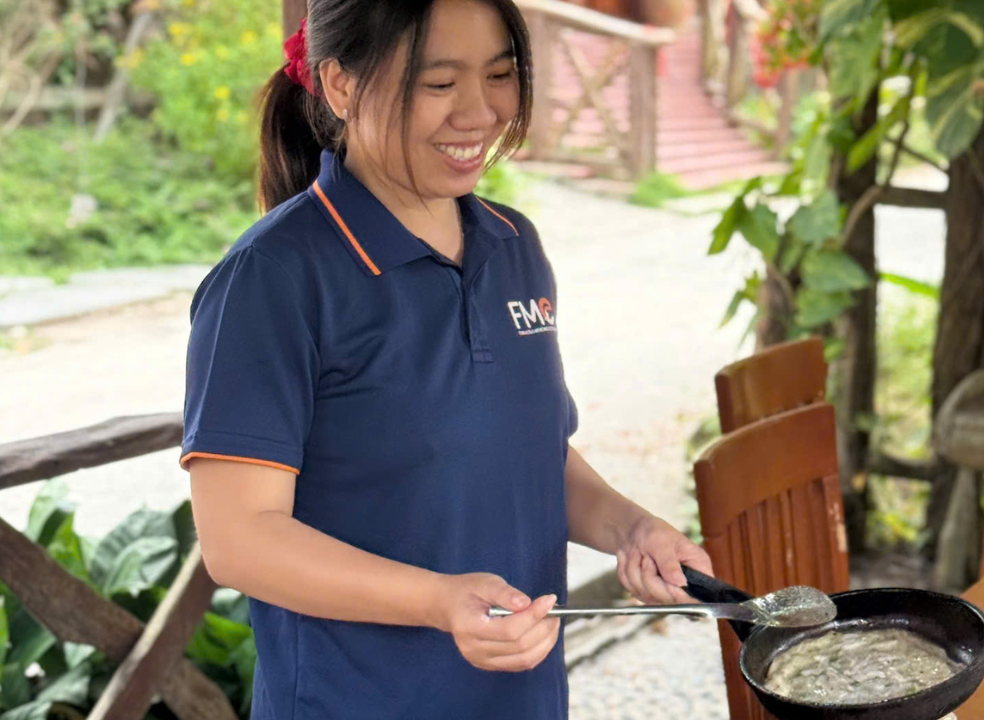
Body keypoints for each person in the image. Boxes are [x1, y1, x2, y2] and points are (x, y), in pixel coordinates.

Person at [180, 0, 714, 717]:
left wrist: (632, 530)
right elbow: (240, 541)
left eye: (500, 74)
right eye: (439, 84)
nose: (481, 112)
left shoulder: (511, 244)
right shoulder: (273, 278)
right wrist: (437, 601)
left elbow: (532, 455)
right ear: (341, 86)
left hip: (522, 697)